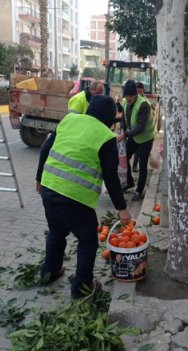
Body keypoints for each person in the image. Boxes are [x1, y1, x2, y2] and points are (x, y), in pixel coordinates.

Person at [36, 95, 132, 299]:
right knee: (87, 240)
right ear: (108, 118)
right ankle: (82, 287)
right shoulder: (106, 137)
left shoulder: (69, 120)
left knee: (56, 232)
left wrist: (38, 179)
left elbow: (46, 148)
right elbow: (111, 177)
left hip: (49, 186)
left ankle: (49, 272)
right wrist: (122, 208)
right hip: (75, 198)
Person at [118, 80, 156, 200]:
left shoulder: (144, 104)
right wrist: (123, 129)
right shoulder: (124, 102)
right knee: (125, 158)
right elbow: (123, 118)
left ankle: (139, 191)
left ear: (136, 95)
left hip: (146, 137)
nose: (128, 99)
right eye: (126, 96)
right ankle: (129, 182)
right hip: (134, 136)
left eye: (131, 96)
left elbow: (140, 127)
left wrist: (125, 135)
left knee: (142, 163)